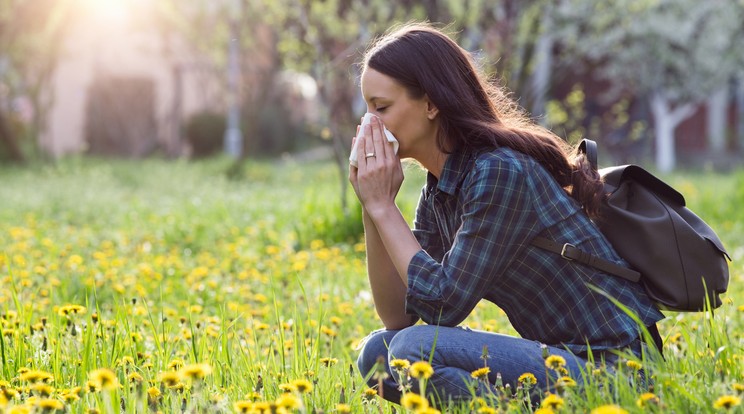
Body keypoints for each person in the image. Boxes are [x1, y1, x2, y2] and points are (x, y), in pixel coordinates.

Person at [349, 23, 664, 405]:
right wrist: (372, 206)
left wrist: (384, 208)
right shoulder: (440, 190)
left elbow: (443, 305)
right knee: (377, 354)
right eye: (367, 108)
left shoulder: (498, 171)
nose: (369, 123)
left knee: (414, 350)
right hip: (564, 360)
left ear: (431, 104)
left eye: (381, 107)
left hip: (619, 370)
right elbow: (398, 316)